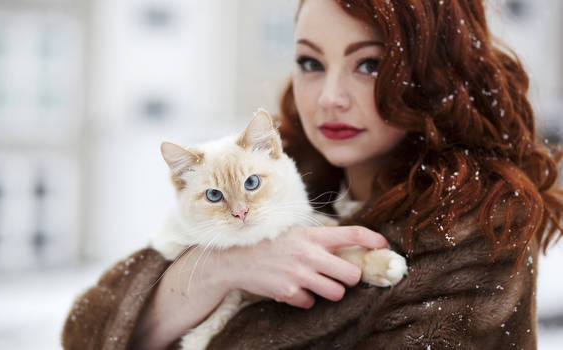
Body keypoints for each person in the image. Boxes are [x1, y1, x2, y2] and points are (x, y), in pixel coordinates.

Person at [62, 0, 563, 349]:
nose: (328, 98)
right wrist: (219, 269)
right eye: (310, 62)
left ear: (432, 75)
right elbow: (85, 331)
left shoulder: (474, 233)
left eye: (368, 64)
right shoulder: (275, 174)